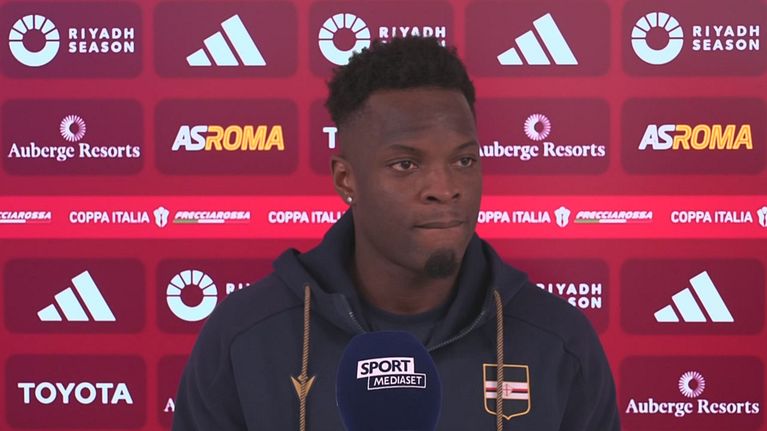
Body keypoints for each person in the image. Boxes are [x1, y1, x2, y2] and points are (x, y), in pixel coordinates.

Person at [172, 36, 620, 430]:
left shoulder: (559, 342)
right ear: (346, 179)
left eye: (464, 160)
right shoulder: (245, 338)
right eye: (406, 164)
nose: (445, 189)